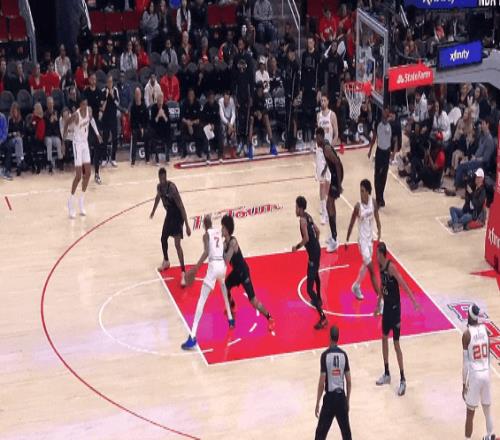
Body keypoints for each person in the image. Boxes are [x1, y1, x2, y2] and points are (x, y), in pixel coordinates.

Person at [180, 215, 234, 350]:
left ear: (204, 225)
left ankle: (192, 336)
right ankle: (230, 319)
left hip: (214, 266)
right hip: (222, 266)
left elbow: (206, 252)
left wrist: (196, 267)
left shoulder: (206, 235)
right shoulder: (218, 232)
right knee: (223, 290)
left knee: (201, 300)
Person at [375, 242, 419, 396]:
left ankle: (403, 379)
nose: (375, 256)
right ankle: (387, 373)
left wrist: (413, 301)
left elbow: (403, 283)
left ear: (382, 254)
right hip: (386, 308)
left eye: (377, 253)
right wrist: (378, 304)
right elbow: (382, 287)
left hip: (395, 309)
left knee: (396, 344)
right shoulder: (380, 267)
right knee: (383, 338)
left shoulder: (391, 267)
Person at [221, 214, 275, 331]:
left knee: (253, 300)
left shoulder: (233, 242)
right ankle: (232, 306)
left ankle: (270, 318)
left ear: (227, 229)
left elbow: (225, 260)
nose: (221, 229)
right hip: (236, 272)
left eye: (223, 227)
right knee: (226, 286)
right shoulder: (225, 243)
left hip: (243, 272)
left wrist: (219, 251)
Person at [149, 168, 191, 285]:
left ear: (166, 177)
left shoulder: (172, 188)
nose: (162, 180)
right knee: (163, 238)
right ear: (159, 178)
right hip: (169, 215)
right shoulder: (159, 187)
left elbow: (181, 206)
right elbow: (158, 197)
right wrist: (153, 211)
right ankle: (166, 261)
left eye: (164, 178)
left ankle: (183, 272)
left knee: (177, 245)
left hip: (177, 216)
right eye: (161, 178)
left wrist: (187, 225)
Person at [345, 180, 382, 311]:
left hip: (370, 240)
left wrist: (379, 231)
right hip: (362, 242)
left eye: (362, 191)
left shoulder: (373, 202)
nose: (360, 193)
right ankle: (380, 302)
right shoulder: (358, 207)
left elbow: (377, 218)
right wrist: (347, 240)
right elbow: (351, 223)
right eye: (360, 191)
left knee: (366, 266)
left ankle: (356, 286)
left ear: (368, 192)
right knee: (372, 270)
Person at [63, 97, 102, 218]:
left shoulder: (88, 112)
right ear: (80, 105)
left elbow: (92, 120)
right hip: (77, 144)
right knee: (78, 176)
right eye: (83, 104)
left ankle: (81, 200)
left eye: (86, 104)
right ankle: (71, 202)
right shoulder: (76, 115)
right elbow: (66, 123)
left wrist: (97, 134)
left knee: (88, 173)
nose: (85, 106)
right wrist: (63, 139)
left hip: (85, 144)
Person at [293, 196, 328, 330]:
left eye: (296, 207)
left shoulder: (302, 220)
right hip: (316, 251)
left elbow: (306, 238)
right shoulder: (308, 216)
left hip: (313, 254)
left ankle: (323, 317)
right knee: (316, 275)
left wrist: (296, 247)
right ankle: (318, 298)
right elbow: (317, 231)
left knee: (308, 289)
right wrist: (315, 245)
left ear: (300, 208)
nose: (295, 209)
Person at [462, 304, 496, 440]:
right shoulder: (485, 330)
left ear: (469, 315)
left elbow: (465, 363)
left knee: (470, 413)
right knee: (487, 409)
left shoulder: (466, 334)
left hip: (475, 375)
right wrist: (487, 371)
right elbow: (489, 356)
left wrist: (463, 383)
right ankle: (490, 434)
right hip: (486, 372)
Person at [314, 325, 352, 440]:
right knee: (346, 434)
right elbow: (349, 381)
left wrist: (317, 402)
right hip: (341, 398)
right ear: (338, 338)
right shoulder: (344, 355)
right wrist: (347, 400)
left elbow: (321, 383)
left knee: (320, 434)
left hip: (330, 399)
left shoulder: (325, 355)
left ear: (329, 337)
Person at [316, 127, 343, 252]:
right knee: (330, 205)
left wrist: (339, 183)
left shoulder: (326, 148)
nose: (316, 140)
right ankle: (333, 235)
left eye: (318, 138)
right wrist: (325, 169)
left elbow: (337, 163)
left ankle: (335, 240)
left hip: (337, 175)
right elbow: (331, 161)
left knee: (329, 205)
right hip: (335, 174)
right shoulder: (324, 147)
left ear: (322, 137)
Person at [316, 94, 339, 224]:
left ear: (328, 102)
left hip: (329, 153)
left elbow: (336, 134)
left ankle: (326, 206)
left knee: (329, 183)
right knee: (322, 182)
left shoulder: (332, 115)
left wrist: (331, 147)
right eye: (321, 100)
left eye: (324, 100)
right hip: (320, 153)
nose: (323, 102)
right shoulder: (318, 116)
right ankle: (323, 211)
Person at [449, 168, 487, 233]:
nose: (476, 178)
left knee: (465, 217)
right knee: (452, 209)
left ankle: (455, 222)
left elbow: (477, 205)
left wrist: (471, 194)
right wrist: (467, 192)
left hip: (472, 214)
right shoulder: (473, 186)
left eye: (478, 177)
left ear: (482, 179)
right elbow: (467, 201)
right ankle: (456, 223)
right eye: (476, 177)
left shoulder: (483, 191)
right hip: (466, 211)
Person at [368, 107, 392, 208]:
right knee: (377, 175)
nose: (386, 113)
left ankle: (381, 196)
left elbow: (393, 139)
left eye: (387, 112)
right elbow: (374, 137)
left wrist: (392, 153)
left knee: (384, 176)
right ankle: (378, 198)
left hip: (387, 152)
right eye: (384, 111)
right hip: (379, 152)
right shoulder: (377, 123)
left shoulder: (391, 124)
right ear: (382, 112)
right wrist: (370, 150)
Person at [247, 83, 278, 158]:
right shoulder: (253, 97)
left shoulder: (264, 96)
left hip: (261, 117)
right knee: (251, 119)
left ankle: (272, 144)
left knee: (266, 118)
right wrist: (256, 113)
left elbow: (265, 109)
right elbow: (250, 110)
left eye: (262, 90)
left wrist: (261, 113)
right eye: (260, 90)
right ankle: (250, 146)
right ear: (257, 90)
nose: (261, 91)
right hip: (254, 117)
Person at [100, 75, 120, 167]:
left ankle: (113, 158)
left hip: (113, 118)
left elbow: (117, 103)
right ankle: (104, 159)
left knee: (115, 139)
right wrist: (106, 96)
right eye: (108, 82)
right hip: (105, 118)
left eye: (111, 82)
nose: (110, 83)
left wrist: (112, 95)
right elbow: (101, 105)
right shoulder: (103, 91)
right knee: (105, 139)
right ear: (106, 82)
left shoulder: (115, 90)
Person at [180, 88, 203, 158]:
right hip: (186, 123)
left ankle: (199, 151)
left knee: (199, 128)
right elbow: (181, 117)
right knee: (182, 128)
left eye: (192, 94)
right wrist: (187, 123)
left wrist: (192, 123)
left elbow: (199, 118)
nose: (191, 96)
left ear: (194, 95)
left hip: (194, 123)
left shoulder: (197, 103)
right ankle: (184, 152)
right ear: (187, 95)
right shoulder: (184, 103)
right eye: (189, 94)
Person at [129, 87, 149, 166]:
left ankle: (147, 158)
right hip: (136, 128)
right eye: (136, 94)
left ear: (141, 95)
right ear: (134, 95)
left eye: (139, 94)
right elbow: (132, 122)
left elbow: (147, 120)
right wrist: (139, 128)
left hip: (144, 128)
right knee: (134, 134)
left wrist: (143, 128)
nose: (137, 95)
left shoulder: (144, 106)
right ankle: (133, 160)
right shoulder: (133, 108)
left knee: (147, 134)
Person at [149, 91, 170, 164]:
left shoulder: (165, 107)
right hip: (156, 129)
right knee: (151, 132)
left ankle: (167, 157)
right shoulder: (153, 108)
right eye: (159, 101)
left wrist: (163, 115)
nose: (160, 103)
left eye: (161, 101)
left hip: (164, 129)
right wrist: (158, 115)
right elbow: (152, 123)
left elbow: (168, 122)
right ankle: (156, 157)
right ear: (157, 101)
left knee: (169, 132)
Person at [44, 97, 63, 174]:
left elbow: (59, 126)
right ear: (47, 105)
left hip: (54, 135)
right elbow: (45, 128)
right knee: (49, 142)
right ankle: (50, 162)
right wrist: (50, 122)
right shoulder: (45, 114)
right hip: (47, 136)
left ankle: (60, 160)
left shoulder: (56, 113)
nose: (50, 105)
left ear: (53, 104)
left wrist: (56, 121)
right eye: (49, 103)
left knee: (58, 141)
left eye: (51, 103)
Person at [6, 102, 25, 177]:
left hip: (19, 141)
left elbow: (23, 132)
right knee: (18, 140)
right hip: (11, 140)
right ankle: (21, 161)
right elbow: (7, 134)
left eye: (16, 110)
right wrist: (14, 134)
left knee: (19, 141)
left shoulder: (21, 120)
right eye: (14, 111)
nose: (15, 112)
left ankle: (18, 165)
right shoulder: (10, 120)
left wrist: (20, 134)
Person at [219, 90, 237, 158]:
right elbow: (222, 116)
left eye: (227, 99)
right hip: (223, 121)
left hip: (230, 120)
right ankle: (223, 151)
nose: (226, 101)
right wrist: (228, 124)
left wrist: (231, 125)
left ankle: (233, 151)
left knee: (233, 130)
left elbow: (233, 115)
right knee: (223, 129)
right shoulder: (220, 101)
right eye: (225, 99)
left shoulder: (232, 101)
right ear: (223, 98)